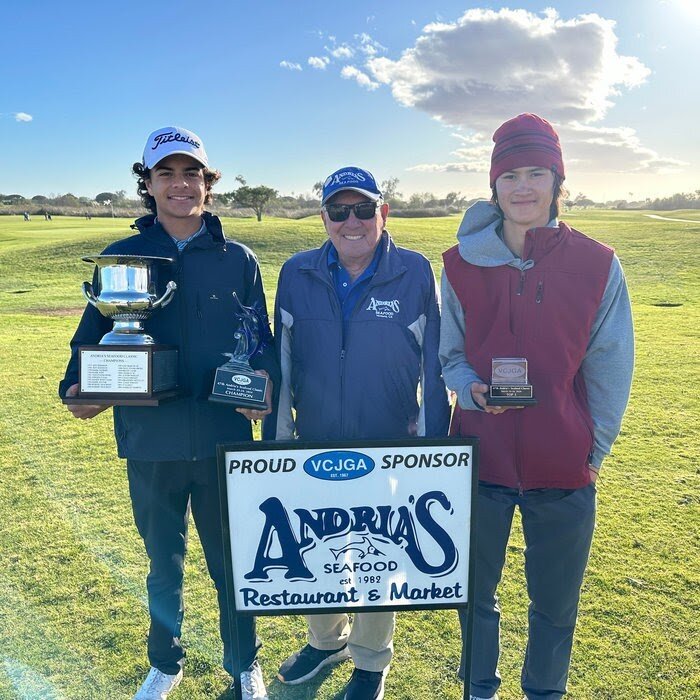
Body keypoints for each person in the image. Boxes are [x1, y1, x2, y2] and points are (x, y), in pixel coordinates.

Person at [59, 126, 278, 700]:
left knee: (232, 565)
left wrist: (264, 386)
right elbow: (93, 336)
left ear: (208, 184)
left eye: (191, 174)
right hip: (150, 442)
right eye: (166, 174)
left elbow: (261, 342)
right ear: (148, 184)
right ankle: (165, 661)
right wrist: (80, 388)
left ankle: (243, 662)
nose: (180, 185)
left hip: (224, 440)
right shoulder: (121, 260)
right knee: (163, 563)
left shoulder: (239, 259)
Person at [439, 113, 634, 700]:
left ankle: (544, 692)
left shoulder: (598, 263)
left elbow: (610, 367)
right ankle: (479, 688)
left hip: (564, 467)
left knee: (555, 605)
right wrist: (470, 386)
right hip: (479, 461)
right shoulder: (458, 263)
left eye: (536, 173)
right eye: (510, 176)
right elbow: (450, 354)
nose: (523, 187)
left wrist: (593, 452)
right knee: (474, 595)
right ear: (493, 186)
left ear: (557, 181)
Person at [264, 166, 450, 700]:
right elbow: (281, 361)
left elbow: (433, 365)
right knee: (317, 547)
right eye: (339, 210)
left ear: (382, 214)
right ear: (323, 218)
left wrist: (431, 449)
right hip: (314, 443)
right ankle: (325, 641)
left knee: (377, 553)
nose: (352, 221)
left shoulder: (414, 271)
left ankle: (370, 659)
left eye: (363, 209)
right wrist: (280, 449)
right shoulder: (296, 273)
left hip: (387, 442)